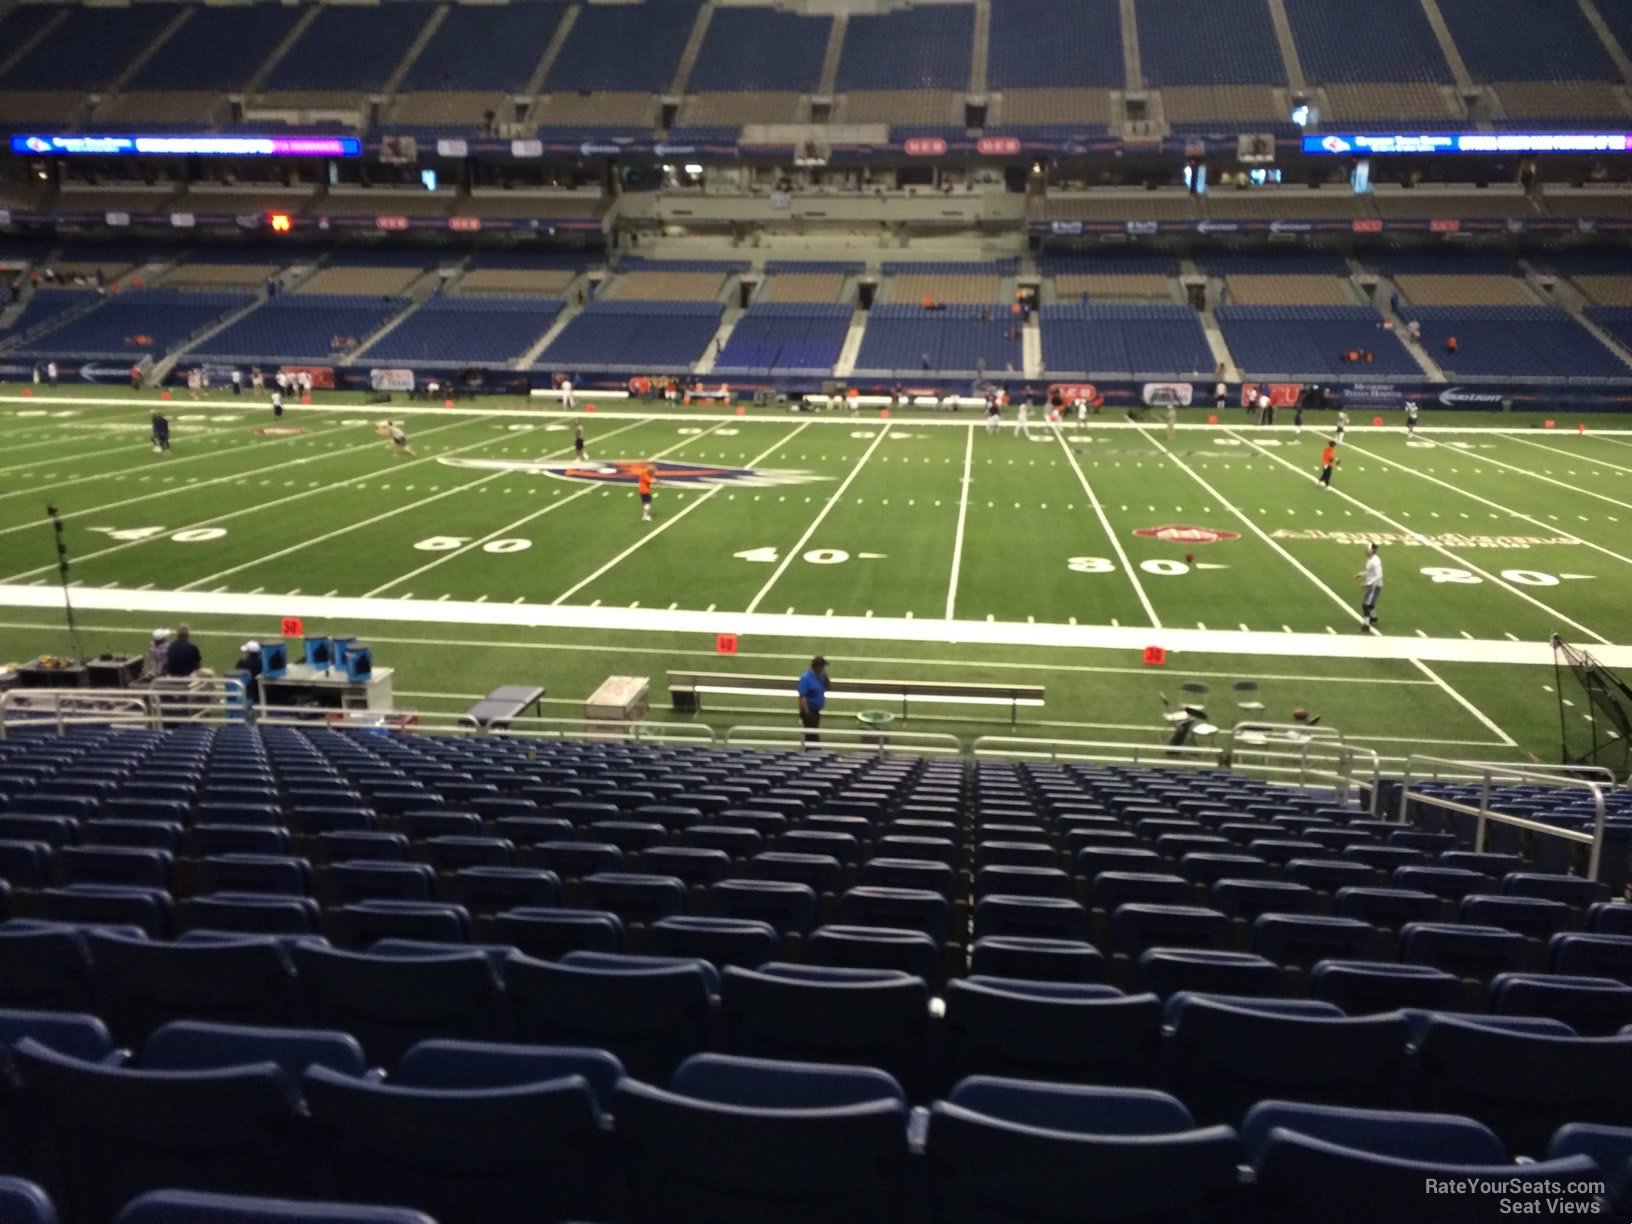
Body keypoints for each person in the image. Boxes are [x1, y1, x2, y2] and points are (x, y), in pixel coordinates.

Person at [797, 655, 828, 744]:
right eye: (823, 666)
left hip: (815, 712)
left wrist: (826, 676)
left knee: (813, 736)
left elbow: (829, 687)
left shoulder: (820, 677)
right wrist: (807, 714)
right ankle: (813, 754)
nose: (824, 668)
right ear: (818, 667)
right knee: (812, 738)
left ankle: (813, 752)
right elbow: (802, 697)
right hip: (809, 712)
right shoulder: (806, 678)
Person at [1356, 543, 1383, 632]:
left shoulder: (1375, 561)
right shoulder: (1371, 559)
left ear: (1372, 550)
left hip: (1374, 585)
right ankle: (1373, 618)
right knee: (1370, 603)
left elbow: (1379, 575)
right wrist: (1361, 574)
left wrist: (1368, 583)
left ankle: (1366, 625)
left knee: (1365, 604)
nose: (1365, 550)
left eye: (1367, 548)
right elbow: (1370, 571)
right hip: (1374, 584)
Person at [234, 640, 263, 705]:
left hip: (247, 692)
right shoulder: (263, 663)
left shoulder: (242, 663)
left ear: (248, 652)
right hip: (260, 692)